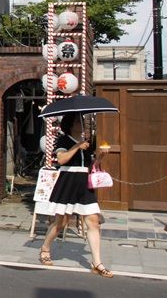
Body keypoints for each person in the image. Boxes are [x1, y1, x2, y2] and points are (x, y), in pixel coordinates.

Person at [38, 112, 112, 278]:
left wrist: (100, 156)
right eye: (79, 122)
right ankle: (45, 248)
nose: (82, 124)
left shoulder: (87, 143)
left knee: (93, 221)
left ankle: (97, 263)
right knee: (61, 221)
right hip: (68, 182)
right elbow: (61, 159)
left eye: (82, 121)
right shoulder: (64, 140)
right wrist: (77, 146)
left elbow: (90, 164)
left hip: (84, 183)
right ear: (71, 125)